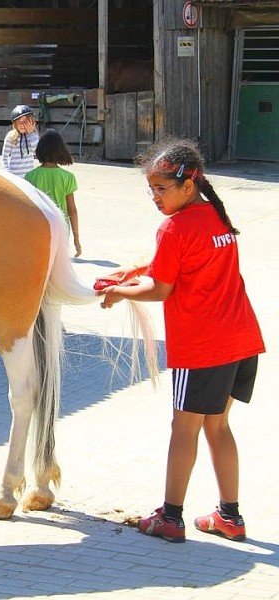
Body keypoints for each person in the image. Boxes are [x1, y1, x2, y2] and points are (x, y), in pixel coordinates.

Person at [97, 139, 265, 544]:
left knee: (184, 428)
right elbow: (183, 266)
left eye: (161, 189)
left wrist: (120, 291)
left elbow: (161, 289)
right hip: (241, 340)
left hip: (203, 347)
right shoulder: (215, 216)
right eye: (150, 189)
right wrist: (133, 272)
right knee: (218, 427)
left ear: (187, 185)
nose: (155, 197)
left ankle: (170, 519)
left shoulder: (173, 227)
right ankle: (230, 517)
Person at [24, 129, 81, 257]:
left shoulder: (30, 176)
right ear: (61, 151)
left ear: (40, 150)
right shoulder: (68, 177)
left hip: (39, 228)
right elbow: (72, 210)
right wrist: (76, 239)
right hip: (61, 229)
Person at [1, 104, 39, 177]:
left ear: (31, 122)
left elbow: (37, 151)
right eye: (19, 122)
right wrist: (7, 173)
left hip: (29, 177)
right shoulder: (11, 136)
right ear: (15, 124)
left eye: (25, 122)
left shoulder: (34, 136)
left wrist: (31, 133)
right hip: (14, 177)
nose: (22, 125)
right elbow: (4, 158)